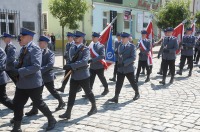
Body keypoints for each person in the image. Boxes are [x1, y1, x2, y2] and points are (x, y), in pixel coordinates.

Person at [10, 28, 56, 131]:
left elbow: (36, 66)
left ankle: (51, 119)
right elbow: (21, 62)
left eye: (22, 36)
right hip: (21, 83)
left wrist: (19, 71)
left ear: (29, 38)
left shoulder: (35, 49)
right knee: (17, 104)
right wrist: (14, 66)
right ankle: (17, 127)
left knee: (39, 104)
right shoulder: (23, 48)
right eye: (20, 36)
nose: (20, 38)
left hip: (33, 84)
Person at [59, 31, 97, 119]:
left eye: (77, 38)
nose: (75, 39)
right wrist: (68, 64)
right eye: (74, 38)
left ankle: (94, 107)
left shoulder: (86, 49)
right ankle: (68, 112)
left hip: (83, 75)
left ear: (81, 39)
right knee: (71, 94)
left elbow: (84, 61)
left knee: (88, 92)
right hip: (74, 75)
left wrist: (71, 65)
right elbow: (70, 59)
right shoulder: (72, 48)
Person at [25, 35, 65, 117]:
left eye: (41, 42)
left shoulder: (50, 53)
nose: (39, 43)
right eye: (39, 42)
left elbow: (50, 65)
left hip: (47, 77)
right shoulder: (37, 51)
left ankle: (61, 102)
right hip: (39, 77)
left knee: (52, 91)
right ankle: (34, 109)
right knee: (37, 94)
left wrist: (39, 70)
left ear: (46, 43)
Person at [108, 32, 140, 103]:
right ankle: (116, 97)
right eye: (121, 38)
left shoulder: (132, 46)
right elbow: (117, 54)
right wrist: (117, 62)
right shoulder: (120, 45)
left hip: (128, 68)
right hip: (121, 68)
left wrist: (124, 63)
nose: (122, 39)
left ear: (127, 38)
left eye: (123, 38)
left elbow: (133, 57)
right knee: (118, 83)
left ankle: (137, 93)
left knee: (132, 82)